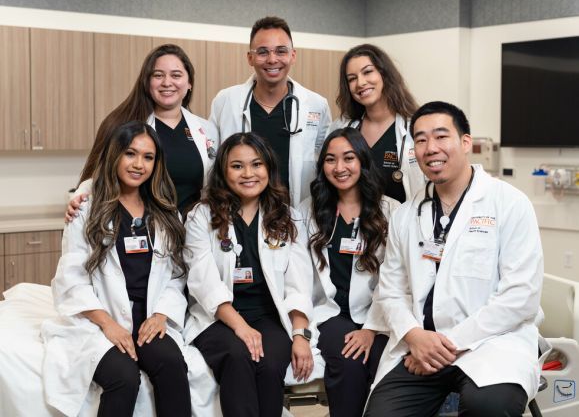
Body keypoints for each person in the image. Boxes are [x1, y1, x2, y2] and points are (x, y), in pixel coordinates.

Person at [364, 101, 544, 417]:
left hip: (491, 344)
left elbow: (521, 297)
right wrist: (415, 336)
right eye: (420, 140)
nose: (430, 148)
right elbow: (390, 291)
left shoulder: (510, 204)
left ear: (464, 142)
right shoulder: (406, 215)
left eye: (441, 136)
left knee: (489, 406)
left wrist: (448, 344)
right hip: (420, 349)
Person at [42, 121, 191, 417]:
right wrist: (108, 325)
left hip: (149, 318)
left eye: (148, 157)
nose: (139, 164)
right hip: (101, 317)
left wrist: (161, 316)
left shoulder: (164, 210)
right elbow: (72, 279)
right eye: (130, 154)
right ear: (114, 155)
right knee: (123, 377)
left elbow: (177, 276)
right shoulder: (87, 208)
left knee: (172, 365)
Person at [183, 132, 314, 417]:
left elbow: (299, 285)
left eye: (256, 164)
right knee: (238, 355)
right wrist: (240, 327)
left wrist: (300, 335)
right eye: (237, 166)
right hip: (219, 318)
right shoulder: (201, 217)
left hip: (269, 316)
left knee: (268, 364)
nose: (248, 174)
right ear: (223, 172)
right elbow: (203, 282)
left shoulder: (288, 218)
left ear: (268, 168)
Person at [299, 127, 399, 417]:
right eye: (330, 160)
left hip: (379, 315)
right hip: (330, 313)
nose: (339, 168)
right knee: (348, 360)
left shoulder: (391, 212)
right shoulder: (308, 212)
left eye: (348, 158)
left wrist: (370, 328)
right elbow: (299, 276)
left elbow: (396, 278)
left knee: (388, 363)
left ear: (362, 161)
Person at [68, 43, 216, 219]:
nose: (167, 82)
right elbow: (98, 175)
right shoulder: (123, 124)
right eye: (158, 75)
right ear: (147, 82)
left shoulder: (205, 129)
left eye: (176, 75)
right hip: (141, 230)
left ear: (189, 83)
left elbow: (214, 185)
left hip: (192, 233)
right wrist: (79, 196)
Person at [209, 16, 331, 207]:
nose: (272, 59)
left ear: (293, 55)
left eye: (281, 51)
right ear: (250, 58)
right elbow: (213, 161)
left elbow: (323, 162)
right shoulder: (225, 101)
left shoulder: (316, 105)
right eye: (263, 52)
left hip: (295, 214)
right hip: (237, 214)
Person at [330, 43, 424, 203]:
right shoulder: (341, 128)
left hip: (401, 225)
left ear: (384, 74)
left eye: (367, 72)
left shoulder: (416, 128)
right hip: (355, 223)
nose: (360, 83)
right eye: (352, 79)